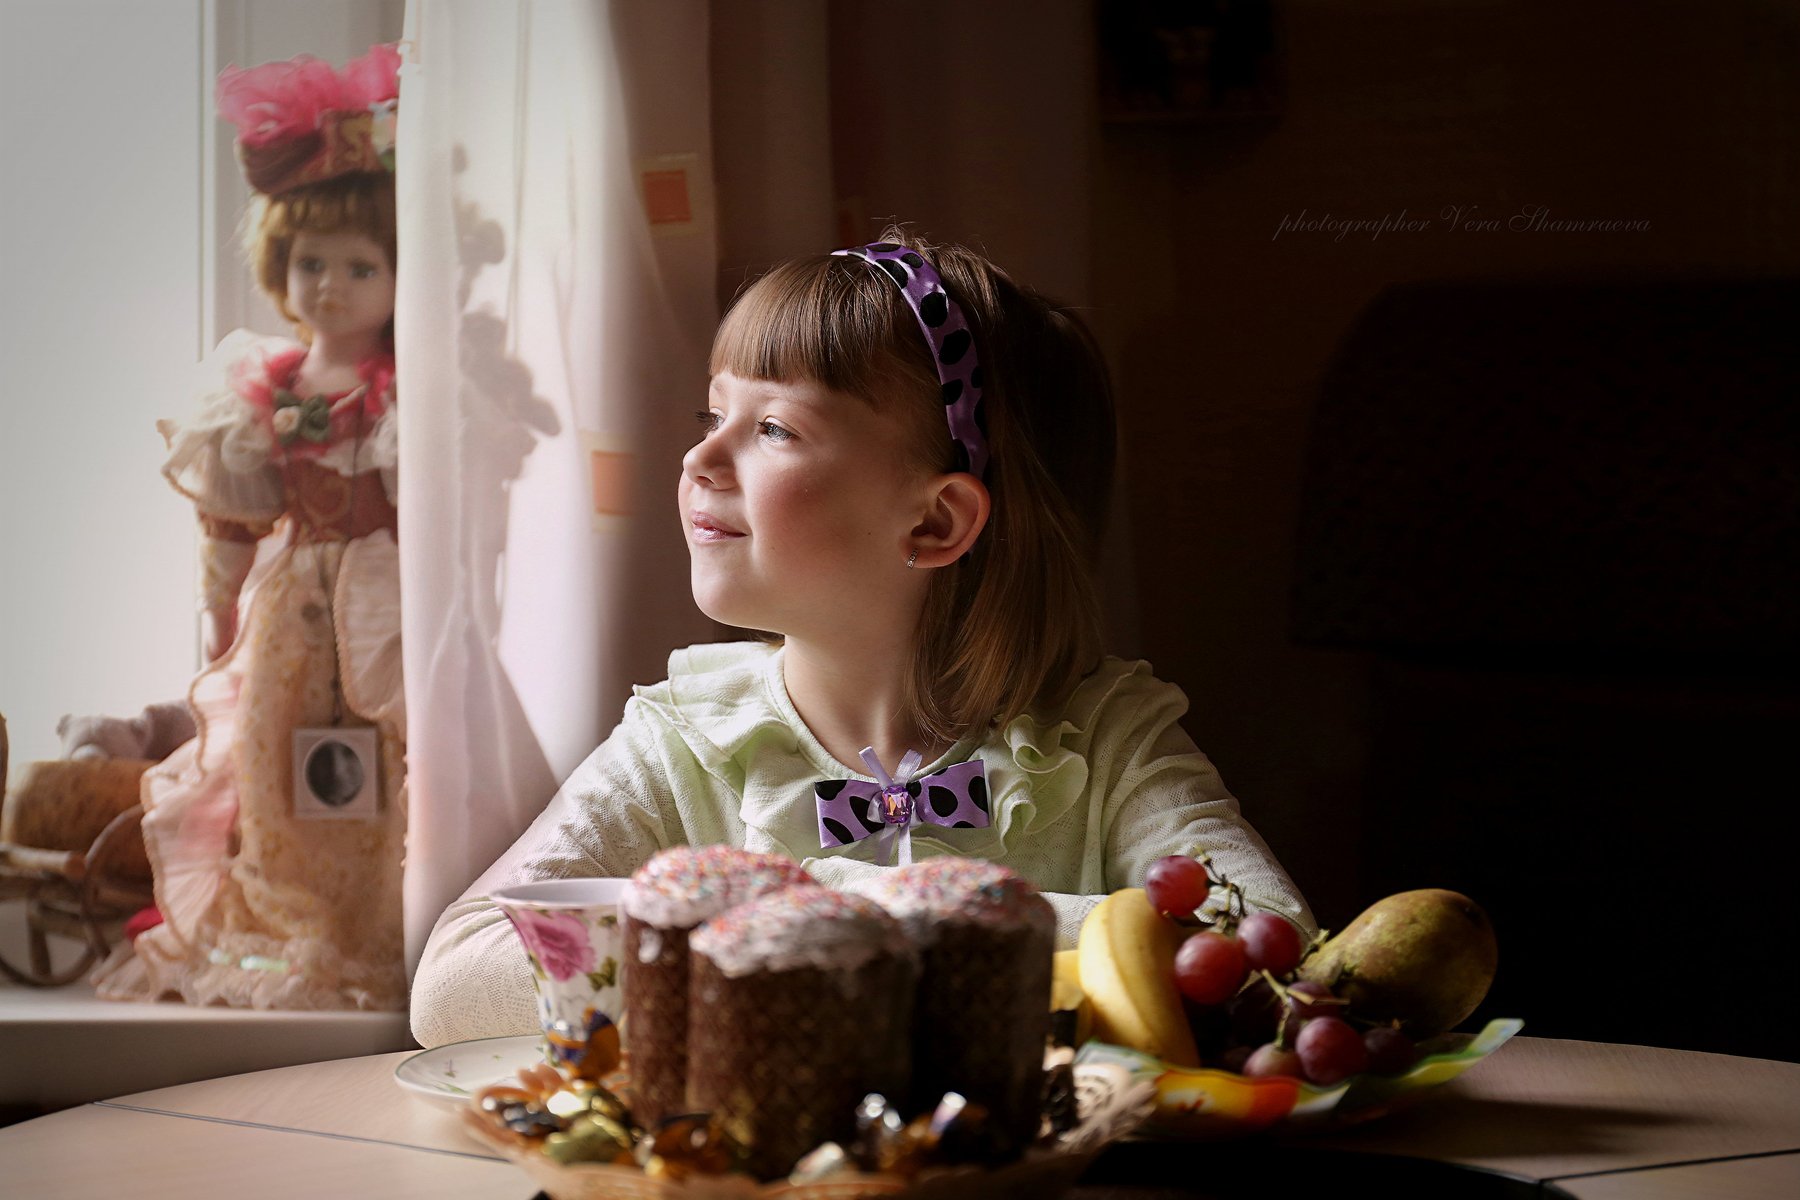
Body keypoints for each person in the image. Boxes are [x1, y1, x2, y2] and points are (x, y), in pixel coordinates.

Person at [410, 231, 1312, 1046]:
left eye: (772, 428)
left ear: (935, 522)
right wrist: (780, 945)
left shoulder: (1107, 738)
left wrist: (867, 910)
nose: (699, 460)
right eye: (711, 417)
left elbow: (1276, 958)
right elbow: (453, 982)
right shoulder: (687, 740)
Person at [92, 46, 407, 1011]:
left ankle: (367, 935)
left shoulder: (407, 394)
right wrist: (220, 601)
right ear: (281, 265)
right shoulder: (257, 389)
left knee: (385, 769)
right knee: (273, 767)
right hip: (291, 611)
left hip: (383, 606)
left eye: (360, 267)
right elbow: (234, 514)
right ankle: (283, 930)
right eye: (311, 264)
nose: (331, 287)